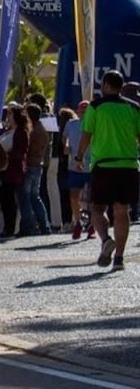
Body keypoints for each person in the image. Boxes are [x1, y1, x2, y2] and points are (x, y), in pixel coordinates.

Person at [75, 70, 140, 271]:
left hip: (103, 165)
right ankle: (119, 258)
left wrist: (79, 157)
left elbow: (86, 134)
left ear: (104, 86)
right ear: (121, 87)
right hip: (128, 165)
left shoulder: (96, 107)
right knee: (122, 211)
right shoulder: (134, 108)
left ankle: (105, 240)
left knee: (97, 208)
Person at [0, 105, 30, 239]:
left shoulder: (21, 132)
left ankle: (11, 228)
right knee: (4, 199)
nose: (8, 117)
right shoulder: (7, 130)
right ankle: (7, 227)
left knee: (10, 200)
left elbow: (21, 151)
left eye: (10, 115)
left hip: (13, 169)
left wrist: (7, 156)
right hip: (3, 169)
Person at [62, 103, 93, 239]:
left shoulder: (94, 124)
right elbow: (65, 138)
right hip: (74, 165)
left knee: (92, 197)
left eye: (85, 111)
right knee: (74, 196)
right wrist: (66, 146)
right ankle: (78, 223)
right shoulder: (71, 124)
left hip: (91, 165)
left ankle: (92, 224)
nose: (82, 114)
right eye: (81, 111)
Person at [22, 103, 52, 235]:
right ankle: (45, 225)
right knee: (35, 197)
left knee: (26, 197)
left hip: (30, 165)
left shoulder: (33, 130)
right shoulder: (43, 129)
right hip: (38, 165)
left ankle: (30, 226)